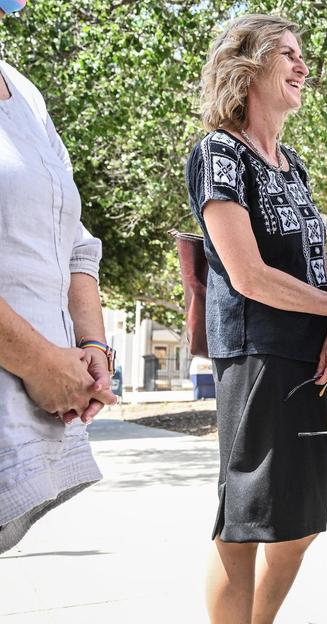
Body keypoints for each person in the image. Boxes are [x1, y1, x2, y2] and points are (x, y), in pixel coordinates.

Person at [186, 14, 327, 624]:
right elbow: (248, 274)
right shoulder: (218, 153)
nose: (301, 65)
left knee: (302, 522)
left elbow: (317, 264)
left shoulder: (294, 167)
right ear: (248, 66)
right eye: (286, 53)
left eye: (301, 53)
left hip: (310, 359)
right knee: (245, 524)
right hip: (256, 355)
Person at [0, 0, 117, 554]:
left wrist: (90, 343)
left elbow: (74, 240)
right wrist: (39, 362)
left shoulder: (24, 92)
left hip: (22, 419)